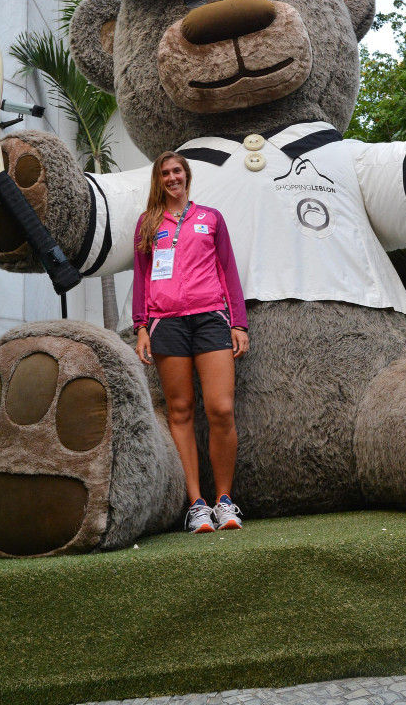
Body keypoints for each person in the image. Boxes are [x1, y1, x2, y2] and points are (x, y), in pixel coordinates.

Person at [133, 151, 249, 533]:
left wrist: (239, 323)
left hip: (211, 318)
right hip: (167, 324)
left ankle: (225, 501)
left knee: (221, 409)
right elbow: (141, 277)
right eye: (165, 173)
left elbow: (228, 270)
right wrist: (141, 327)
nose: (172, 177)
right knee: (181, 410)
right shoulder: (148, 224)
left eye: (177, 171)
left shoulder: (210, 218)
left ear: (187, 175)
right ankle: (197, 504)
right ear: (159, 180)